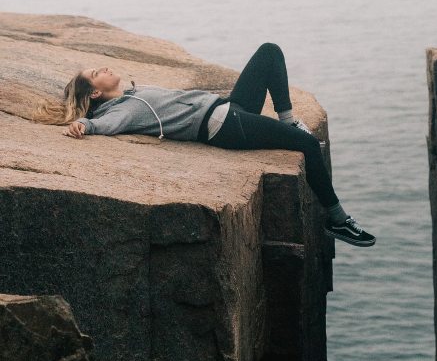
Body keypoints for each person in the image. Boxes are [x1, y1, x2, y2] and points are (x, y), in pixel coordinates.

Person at [33, 42, 375, 247]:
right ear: (95, 92)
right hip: (227, 126)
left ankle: (287, 119)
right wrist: (83, 123)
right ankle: (337, 219)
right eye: (96, 73)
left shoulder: (132, 96)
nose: (103, 68)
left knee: (269, 52)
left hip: (229, 107)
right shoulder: (127, 109)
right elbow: (104, 125)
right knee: (307, 145)